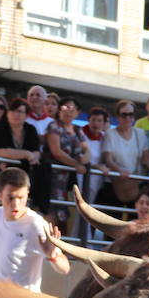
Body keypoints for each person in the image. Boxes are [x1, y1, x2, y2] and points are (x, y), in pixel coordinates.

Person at [0, 167, 69, 292]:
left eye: (21, 198)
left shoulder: (36, 224)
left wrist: (52, 256)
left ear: (27, 194)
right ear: (0, 195)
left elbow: (65, 268)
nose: (16, 204)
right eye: (11, 197)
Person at [43, 96, 89, 230]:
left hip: (68, 181)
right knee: (50, 213)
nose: (68, 111)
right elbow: (56, 151)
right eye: (65, 107)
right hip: (52, 177)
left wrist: (83, 160)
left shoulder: (77, 130)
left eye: (72, 108)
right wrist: (77, 165)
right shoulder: (54, 126)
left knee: (65, 216)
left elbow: (87, 151)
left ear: (77, 112)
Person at [99, 100, 148, 207]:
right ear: (117, 116)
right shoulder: (110, 134)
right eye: (124, 115)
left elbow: (146, 157)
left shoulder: (140, 133)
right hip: (114, 184)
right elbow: (108, 159)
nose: (127, 118)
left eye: (131, 115)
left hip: (135, 186)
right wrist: (120, 171)